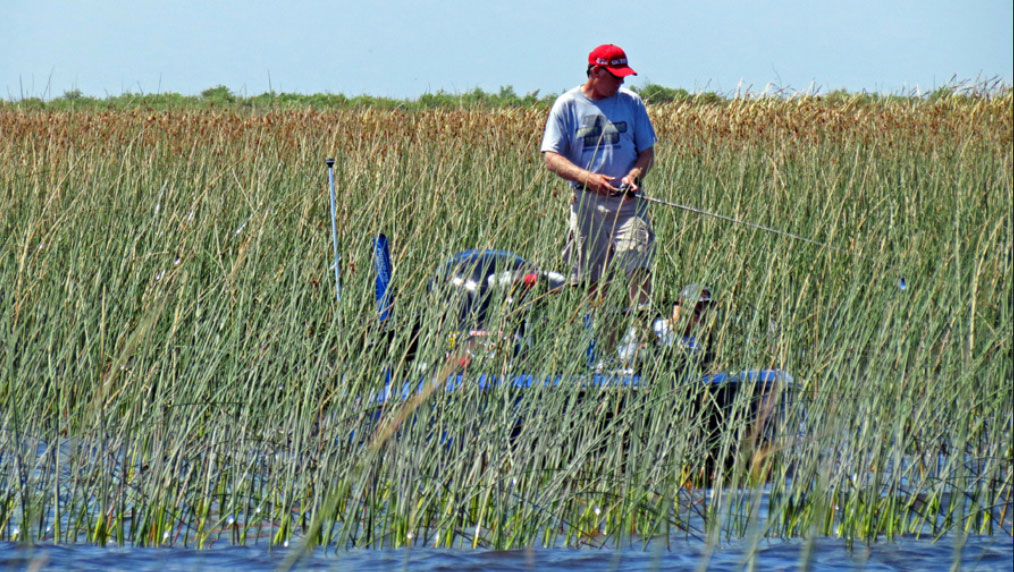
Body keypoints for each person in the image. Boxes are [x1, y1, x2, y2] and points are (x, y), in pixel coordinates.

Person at [540, 44, 657, 308]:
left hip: (628, 205)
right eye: (615, 76)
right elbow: (551, 158)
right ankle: (600, 331)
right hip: (586, 204)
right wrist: (587, 178)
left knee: (639, 267)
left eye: (623, 76)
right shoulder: (567, 105)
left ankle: (639, 326)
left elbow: (647, 153)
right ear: (595, 72)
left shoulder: (631, 102)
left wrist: (635, 175)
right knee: (592, 280)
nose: (621, 81)